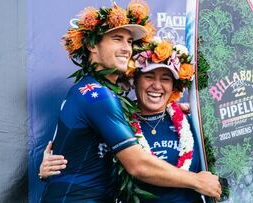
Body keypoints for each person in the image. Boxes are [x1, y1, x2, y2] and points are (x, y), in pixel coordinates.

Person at [39, 2, 221, 203]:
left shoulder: (104, 96)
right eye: (117, 39)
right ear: (92, 45)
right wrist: (197, 181)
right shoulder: (98, 96)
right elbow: (138, 165)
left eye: (129, 41)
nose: (126, 48)